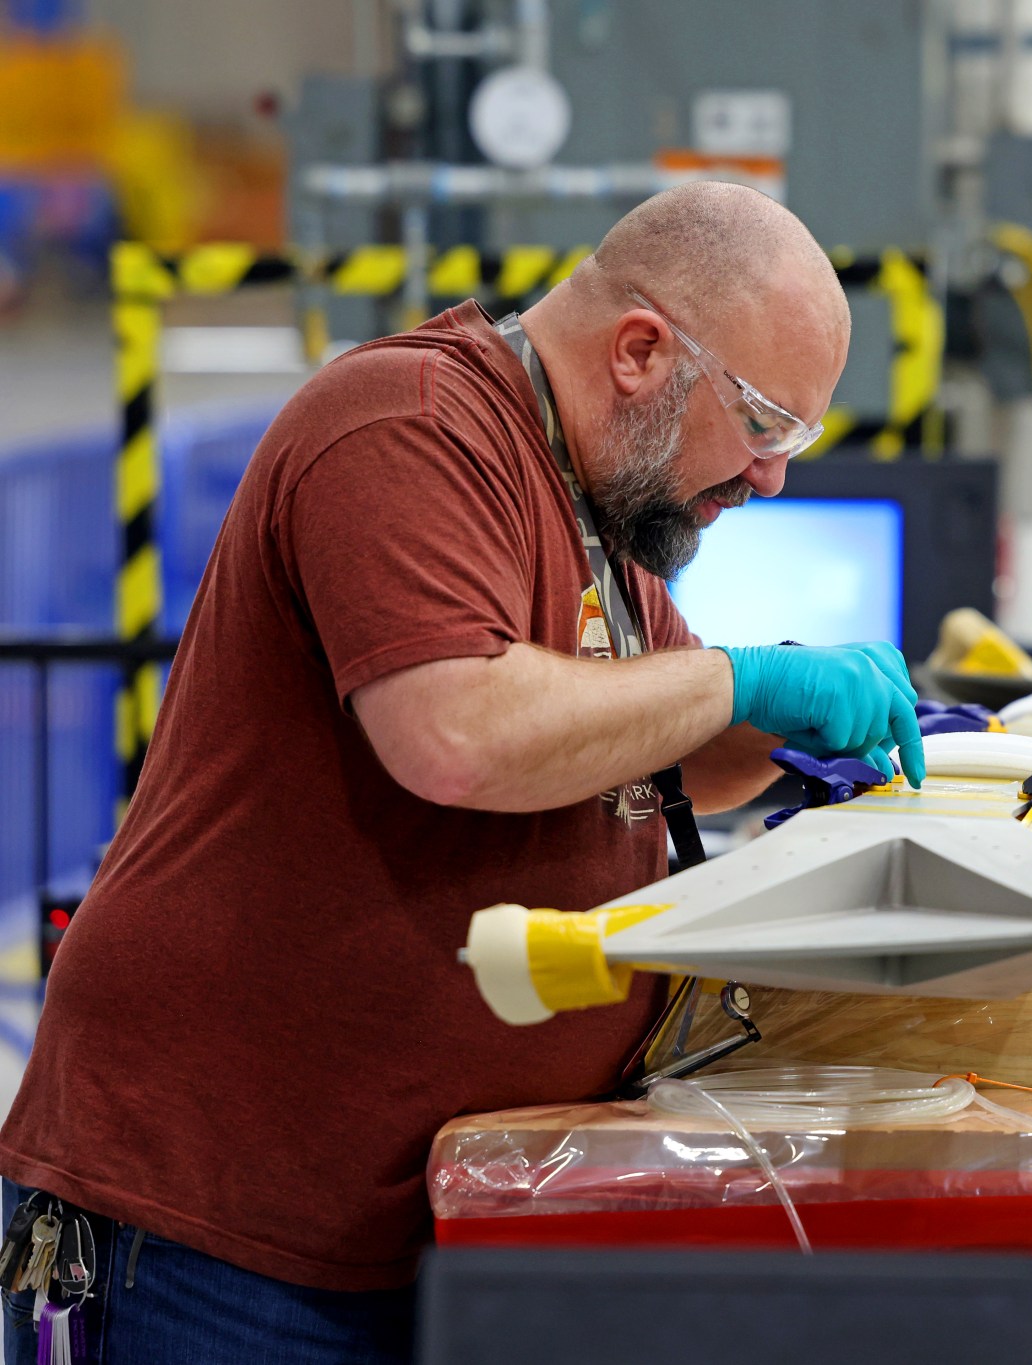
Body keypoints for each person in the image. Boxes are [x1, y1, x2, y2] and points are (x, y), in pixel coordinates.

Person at [0, 183, 927, 1364]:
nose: (768, 478)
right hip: (227, 1218)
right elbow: (457, 732)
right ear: (641, 351)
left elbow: (664, 746)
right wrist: (747, 681)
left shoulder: (599, 510)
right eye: (762, 425)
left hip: (423, 1209)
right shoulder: (406, 425)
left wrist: (826, 735)